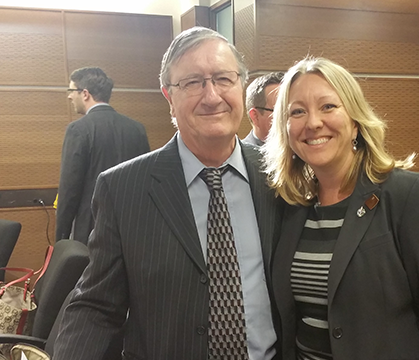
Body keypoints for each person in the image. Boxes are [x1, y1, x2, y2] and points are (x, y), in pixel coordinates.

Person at [53, 27, 282, 359]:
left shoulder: (281, 177)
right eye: (192, 83)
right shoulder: (123, 189)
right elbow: (97, 305)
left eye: (223, 79)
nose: (212, 96)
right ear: (168, 97)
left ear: (241, 87)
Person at [263, 57, 419, 359]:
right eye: (297, 111)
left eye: (328, 107)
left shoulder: (411, 195)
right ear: (285, 129)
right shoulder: (290, 207)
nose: (312, 122)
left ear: (355, 122)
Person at [55, 67, 150, 244]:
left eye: (71, 91)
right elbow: (146, 182)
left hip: (92, 231)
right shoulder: (137, 129)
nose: (69, 96)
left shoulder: (78, 130)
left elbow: (69, 190)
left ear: (85, 93)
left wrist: (61, 238)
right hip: (133, 230)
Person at [242, 72, 283, 146]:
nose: (289, 118)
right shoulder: (240, 156)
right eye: (280, 111)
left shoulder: (302, 152)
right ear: (255, 116)